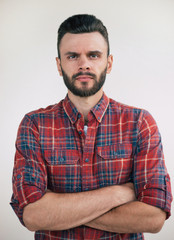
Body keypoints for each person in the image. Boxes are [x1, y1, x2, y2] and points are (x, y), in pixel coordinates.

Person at [10, 14, 172, 240]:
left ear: (109, 62)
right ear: (59, 65)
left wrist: (59, 210)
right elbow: (33, 215)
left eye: (94, 55)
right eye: (72, 56)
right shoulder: (34, 125)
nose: (83, 64)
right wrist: (119, 193)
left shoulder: (140, 124)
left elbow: (153, 218)